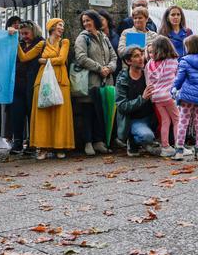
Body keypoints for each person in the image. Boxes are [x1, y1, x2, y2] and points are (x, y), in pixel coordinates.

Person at [23, 19, 74, 160]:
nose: (62, 28)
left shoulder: (64, 42)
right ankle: (43, 147)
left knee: (60, 114)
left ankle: (59, 147)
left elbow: (62, 59)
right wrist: (14, 41)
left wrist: (45, 61)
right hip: (43, 81)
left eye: (63, 26)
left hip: (60, 80)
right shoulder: (42, 44)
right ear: (51, 27)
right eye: (59, 25)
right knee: (42, 114)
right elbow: (25, 57)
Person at [73, 11, 117, 156]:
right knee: (88, 112)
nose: (86, 23)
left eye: (88, 20)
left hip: (106, 81)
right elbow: (80, 57)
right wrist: (99, 68)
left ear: (95, 21)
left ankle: (99, 141)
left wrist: (109, 68)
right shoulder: (82, 38)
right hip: (90, 82)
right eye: (84, 21)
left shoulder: (104, 37)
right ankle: (88, 142)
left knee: (101, 112)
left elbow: (114, 56)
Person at [171, 35, 198, 161]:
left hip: (187, 97)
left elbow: (180, 78)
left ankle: (179, 150)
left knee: (183, 122)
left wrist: (174, 88)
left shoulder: (185, 61)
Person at [115, 47, 158, 156]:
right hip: (134, 120)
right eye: (136, 56)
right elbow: (122, 106)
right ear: (128, 61)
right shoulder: (122, 79)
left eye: (141, 55)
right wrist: (142, 99)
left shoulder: (148, 74)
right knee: (147, 136)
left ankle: (151, 143)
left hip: (153, 117)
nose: (141, 58)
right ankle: (132, 141)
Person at [10, 21, 43, 155]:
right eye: (21, 34)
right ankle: (17, 141)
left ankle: (32, 142)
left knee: (32, 113)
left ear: (34, 31)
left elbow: (24, 58)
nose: (24, 36)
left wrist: (15, 42)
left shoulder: (41, 43)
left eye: (26, 33)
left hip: (33, 82)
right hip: (18, 83)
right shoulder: (22, 44)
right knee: (17, 113)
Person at [144, 36, 180, 157]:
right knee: (177, 120)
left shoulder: (149, 64)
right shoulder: (172, 61)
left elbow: (148, 81)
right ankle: (179, 146)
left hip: (156, 97)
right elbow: (177, 78)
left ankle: (165, 147)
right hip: (169, 96)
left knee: (165, 121)